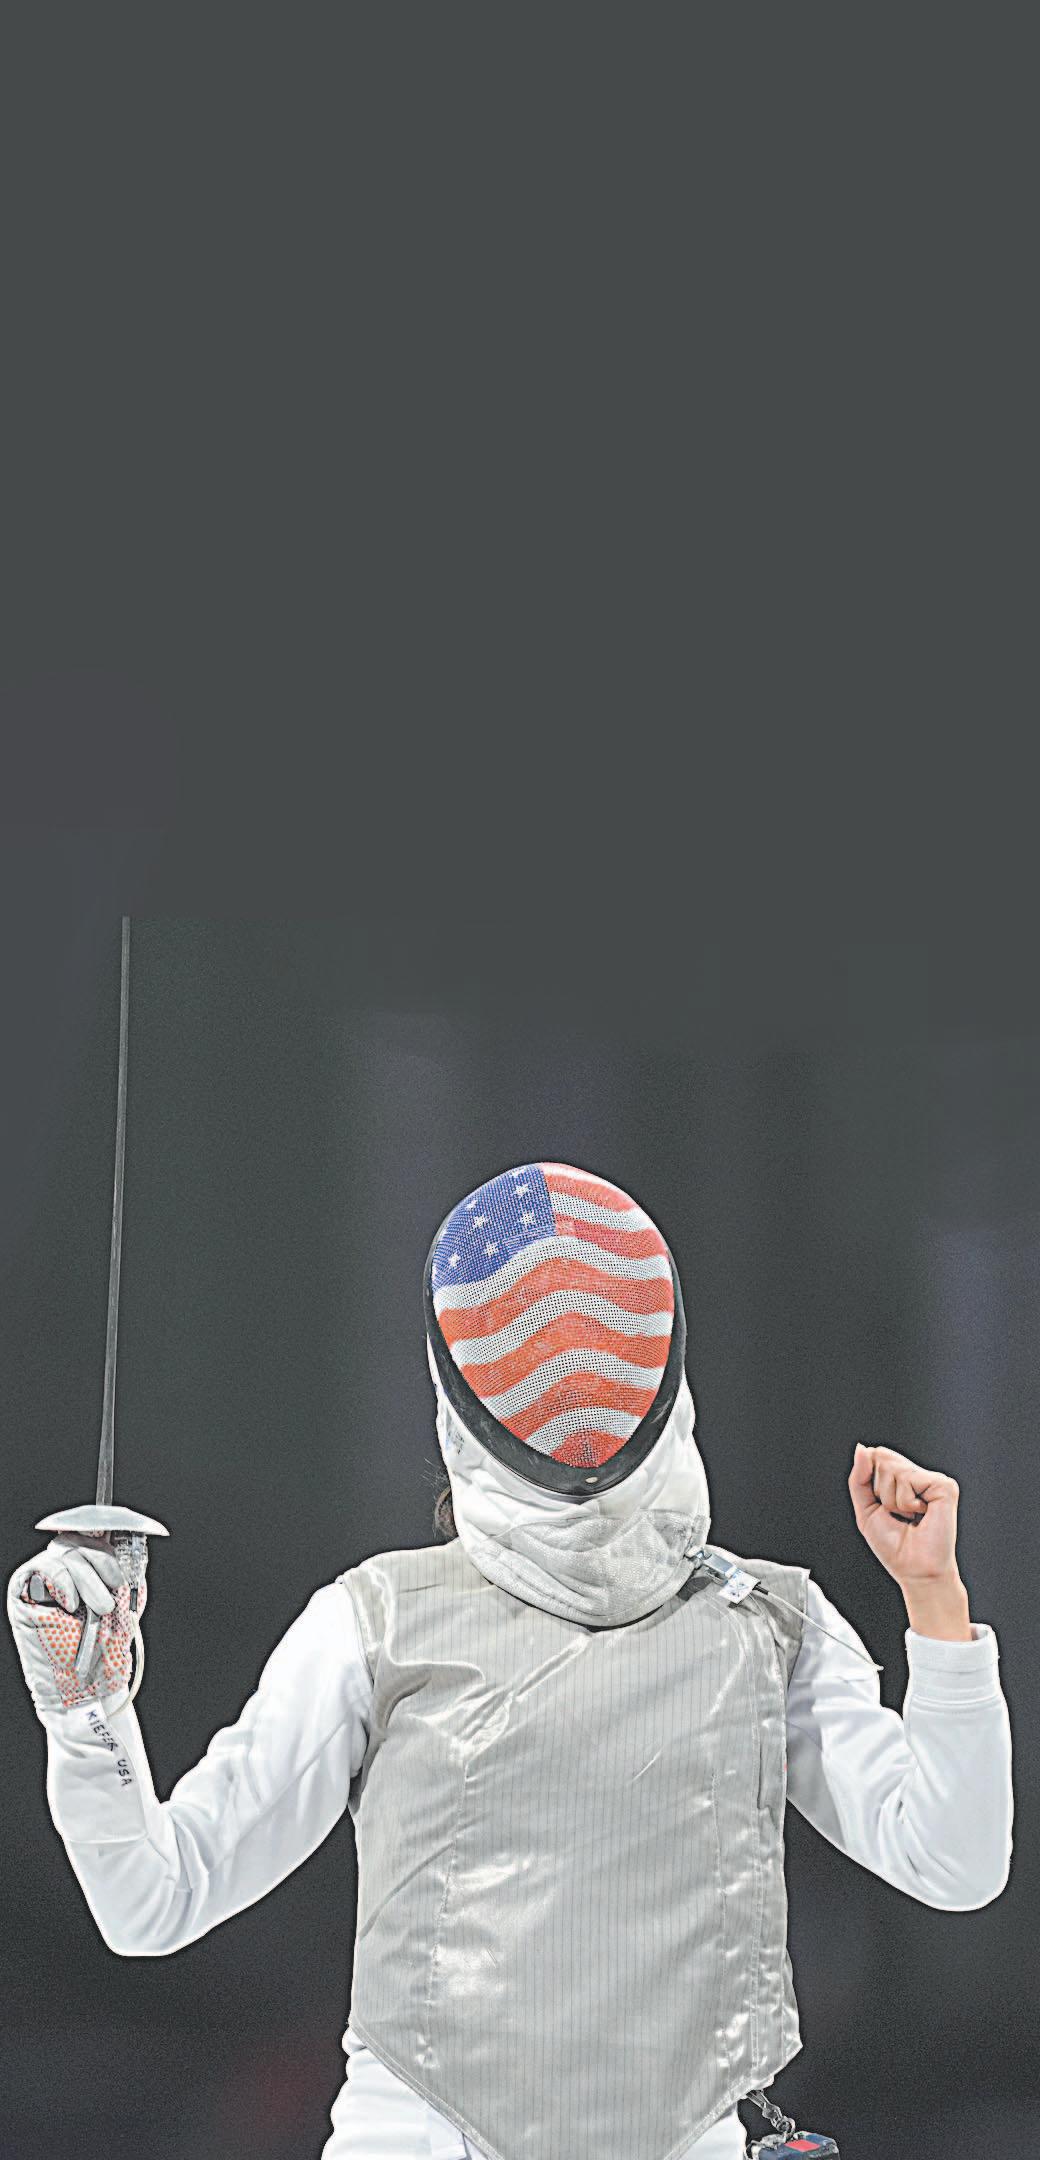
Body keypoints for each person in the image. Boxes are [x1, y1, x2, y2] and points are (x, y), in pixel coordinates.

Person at [8, 1162, 1014, 2160]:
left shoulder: (761, 1623)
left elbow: (952, 1861)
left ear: (454, 1408)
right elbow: (153, 1903)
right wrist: (933, 1601)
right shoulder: (384, 1627)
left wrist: (89, 1716)